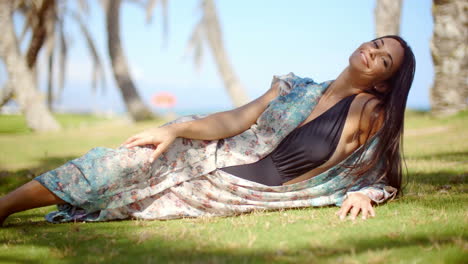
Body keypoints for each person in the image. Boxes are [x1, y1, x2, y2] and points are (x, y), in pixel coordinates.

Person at [0, 35, 415, 226]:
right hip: (210, 155)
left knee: (124, 198)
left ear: (381, 82)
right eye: (376, 43)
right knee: (121, 163)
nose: (372, 51)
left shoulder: (369, 109)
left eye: (383, 60)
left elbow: (375, 173)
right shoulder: (293, 87)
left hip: (242, 189)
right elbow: (234, 120)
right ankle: (5, 207)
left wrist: (365, 192)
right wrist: (177, 130)